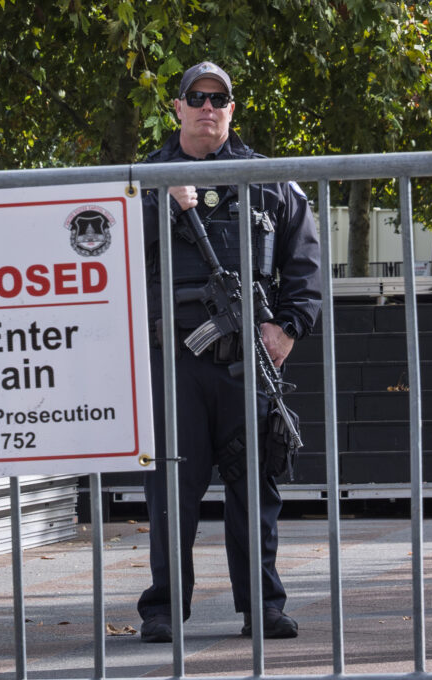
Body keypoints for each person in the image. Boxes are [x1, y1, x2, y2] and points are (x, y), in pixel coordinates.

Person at [137, 61, 321, 643]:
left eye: (219, 99)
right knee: (172, 492)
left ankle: (262, 604)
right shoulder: (141, 179)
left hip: (250, 362)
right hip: (174, 363)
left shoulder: (267, 178)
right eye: (197, 97)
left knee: (255, 490)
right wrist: (162, 203)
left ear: (232, 109)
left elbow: (305, 263)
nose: (208, 107)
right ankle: (164, 608)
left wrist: (289, 327)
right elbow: (99, 249)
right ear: (178, 107)